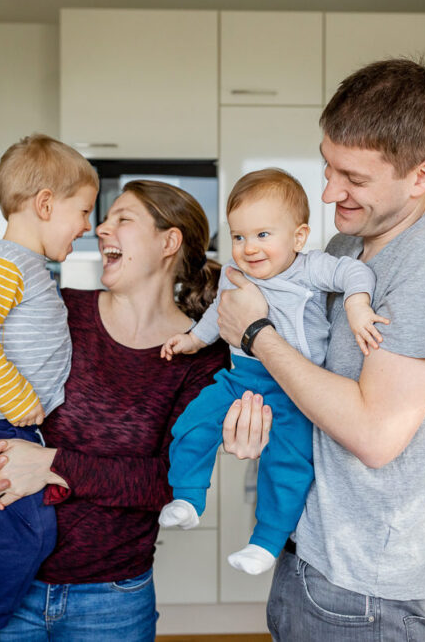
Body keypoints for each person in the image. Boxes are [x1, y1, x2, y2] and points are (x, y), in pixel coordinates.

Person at [215, 58, 425, 641]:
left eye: (355, 179)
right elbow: (312, 382)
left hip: (369, 588)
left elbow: (373, 433)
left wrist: (257, 336)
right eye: (328, 166)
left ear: (422, 175)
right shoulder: (345, 244)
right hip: (311, 548)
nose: (329, 191)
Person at [0, 179, 230, 641]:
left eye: (123, 219)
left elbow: (168, 482)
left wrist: (51, 465)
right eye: (103, 217)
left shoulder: (201, 357)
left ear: (169, 242)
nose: (99, 229)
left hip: (111, 598)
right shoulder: (56, 310)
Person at [158, 167, 387, 575]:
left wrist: (356, 304)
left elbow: (356, 272)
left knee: (288, 463)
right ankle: (188, 498)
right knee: (193, 423)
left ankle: (265, 542)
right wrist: (194, 339)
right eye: (239, 236)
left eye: (263, 235)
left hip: (293, 390)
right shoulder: (236, 271)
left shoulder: (311, 267)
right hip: (240, 378)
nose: (248, 248)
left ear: (298, 237)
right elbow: (219, 311)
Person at [0, 134, 98, 642]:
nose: (86, 225)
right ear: (46, 204)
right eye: (83, 210)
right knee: (34, 533)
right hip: (0, 418)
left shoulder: (27, 268)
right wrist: (21, 401)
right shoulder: (4, 266)